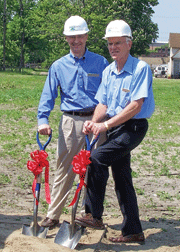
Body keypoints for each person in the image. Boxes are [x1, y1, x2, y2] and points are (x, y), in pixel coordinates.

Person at [75, 20, 155, 243]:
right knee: (122, 177)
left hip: (133, 127)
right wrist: (93, 122)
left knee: (96, 158)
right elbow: (104, 103)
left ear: (129, 43)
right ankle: (133, 231)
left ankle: (93, 215)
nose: (113, 47)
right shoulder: (109, 71)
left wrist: (106, 126)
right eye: (110, 43)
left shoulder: (140, 68)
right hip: (115, 127)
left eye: (118, 42)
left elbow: (135, 106)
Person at [37, 15, 109, 229]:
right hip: (71, 122)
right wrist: (43, 119)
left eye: (79, 36)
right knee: (65, 168)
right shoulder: (58, 66)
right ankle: (53, 214)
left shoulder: (101, 62)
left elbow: (108, 94)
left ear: (86, 36)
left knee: (95, 169)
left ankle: (91, 215)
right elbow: (47, 96)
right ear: (66, 38)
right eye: (71, 37)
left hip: (97, 121)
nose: (76, 41)